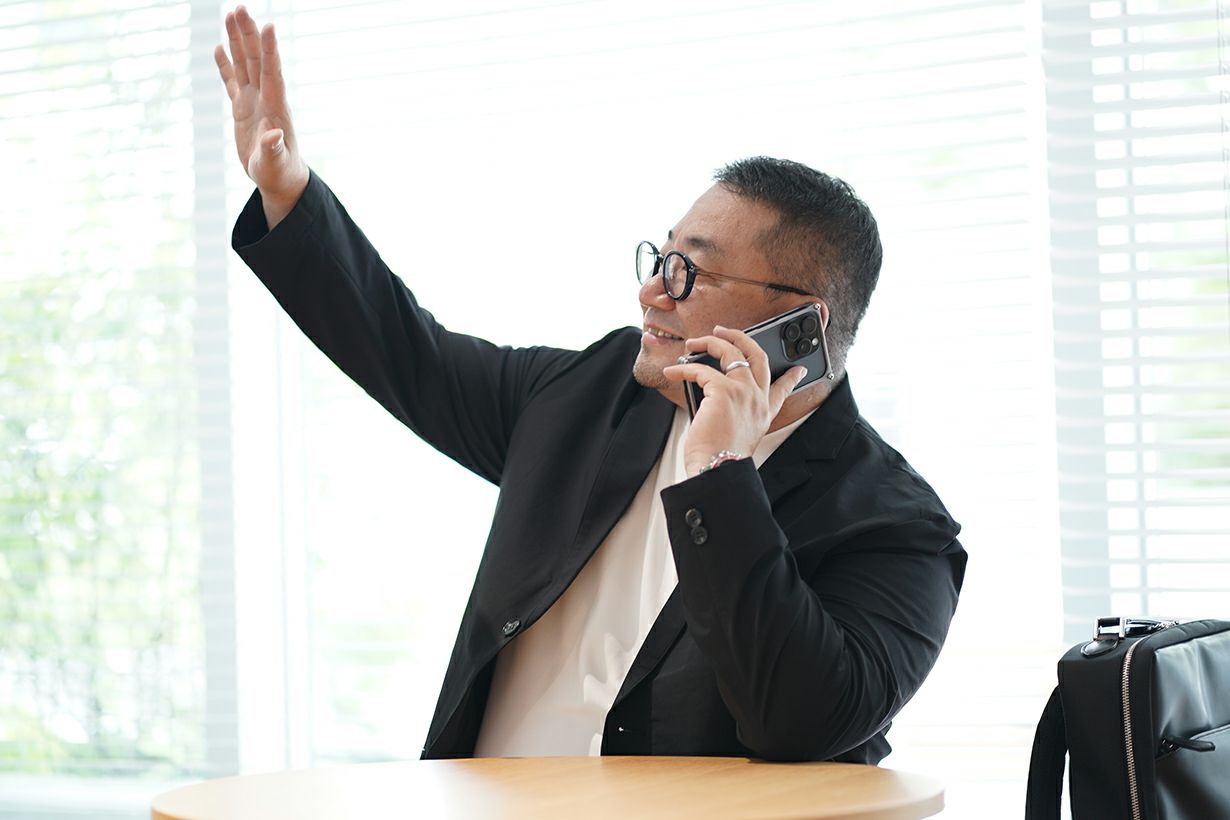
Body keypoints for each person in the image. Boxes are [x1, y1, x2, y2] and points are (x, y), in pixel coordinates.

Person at [215, 5, 967, 764]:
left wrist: (722, 473)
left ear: (799, 326)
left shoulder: (897, 529)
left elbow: (799, 722)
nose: (651, 292)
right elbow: (411, 355)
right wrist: (288, 192)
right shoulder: (591, 394)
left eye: (690, 272)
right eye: (660, 259)